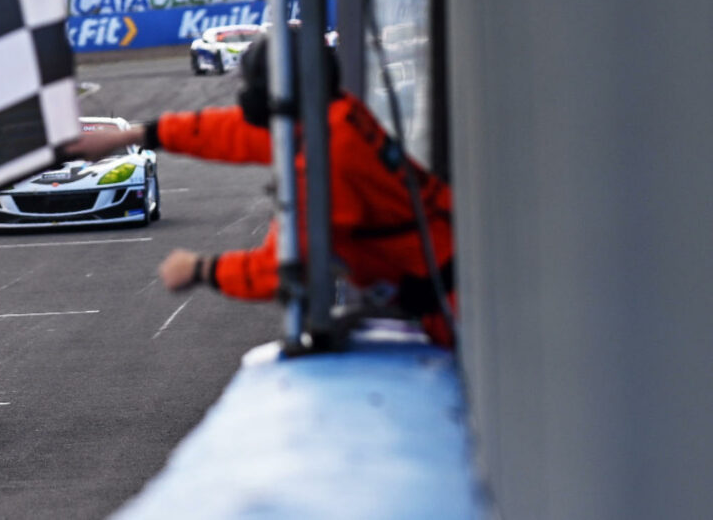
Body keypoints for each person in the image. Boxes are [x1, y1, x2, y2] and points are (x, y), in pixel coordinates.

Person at [65, 32, 457, 347]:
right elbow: (236, 132)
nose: (247, 98)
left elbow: (278, 271)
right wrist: (139, 134)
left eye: (254, 87)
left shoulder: (325, 163)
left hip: (456, 307)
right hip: (455, 275)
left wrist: (200, 269)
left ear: (275, 95)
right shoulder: (337, 116)